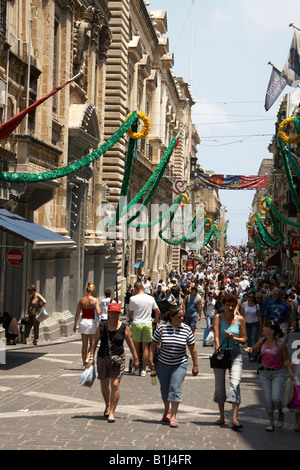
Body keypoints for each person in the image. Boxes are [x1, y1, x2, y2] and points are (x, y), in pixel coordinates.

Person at [87, 303, 139, 423]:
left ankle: (112, 412)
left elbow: (130, 343)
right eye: (112, 312)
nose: (114, 315)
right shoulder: (102, 325)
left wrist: (136, 359)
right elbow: (94, 342)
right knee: (104, 385)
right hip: (102, 357)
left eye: (116, 313)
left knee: (115, 384)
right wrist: (90, 357)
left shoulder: (124, 327)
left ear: (119, 314)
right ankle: (107, 405)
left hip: (118, 359)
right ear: (108, 313)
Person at [149, 305, 198, 428]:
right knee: (165, 389)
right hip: (163, 363)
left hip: (179, 363)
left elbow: (193, 348)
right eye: (179, 316)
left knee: (175, 387)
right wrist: (150, 360)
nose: (182, 318)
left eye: (183, 316)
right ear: (171, 317)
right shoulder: (162, 327)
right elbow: (153, 345)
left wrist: (195, 365)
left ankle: (174, 416)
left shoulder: (186, 329)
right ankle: (166, 411)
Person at [245, 320, 294, 431]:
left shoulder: (281, 345)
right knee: (268, 398)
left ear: (272, 331)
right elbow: (254, 348)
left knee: (276, 398)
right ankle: (271, 423)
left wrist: (290, 373)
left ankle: (280, 412)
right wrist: (249, 349)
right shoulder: (262, 341)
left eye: (265, 327)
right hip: (264, 373)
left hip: (277, 373)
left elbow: (286, 360)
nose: (263, 328)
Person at [213, 293, 247, 429]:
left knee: (235, 383)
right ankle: (222, 417)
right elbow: (216, 337)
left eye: (233, 305)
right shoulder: (218, 317)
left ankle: (234, 419)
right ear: (223, 306)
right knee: (219, 386)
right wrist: (217, 351)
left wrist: (234, 339)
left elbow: (244, 339)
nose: (231, 308)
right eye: (228, 305)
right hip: (221, 353)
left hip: (235, 354)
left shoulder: (240, 319)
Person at [128, 281, 160, 376]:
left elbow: (130, 313)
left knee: (136, 348)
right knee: (146, 347)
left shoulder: (133, 299)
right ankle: (143, 370)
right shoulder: (150, 298)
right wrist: (155, 320)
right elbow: (158, 311)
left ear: (136, 289)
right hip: (147, 324)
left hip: (137, 323)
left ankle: (136, 368)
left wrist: (134, 319)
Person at [73, 282, 101, 368]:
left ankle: (84, 363)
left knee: (84, 344)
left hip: (83, 321)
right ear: (93, 291)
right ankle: (89, 358)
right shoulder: (95, 300)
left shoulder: (81, 300)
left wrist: (75, 325)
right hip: (91, 322)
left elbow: (77, 314)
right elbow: (98, 312)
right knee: (92, 343)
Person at [240, 291, 261, 362]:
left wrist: (260, 325)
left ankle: (253, 355)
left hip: (254, 323)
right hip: (246, 323)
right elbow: (242, 314)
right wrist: (241, 324)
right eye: (249, 297)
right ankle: (250, 354)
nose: (250, 298)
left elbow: (259, 316)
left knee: (253, 338)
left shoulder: (256, 305)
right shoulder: (244, 304)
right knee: (248, 339)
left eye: (252, 297)